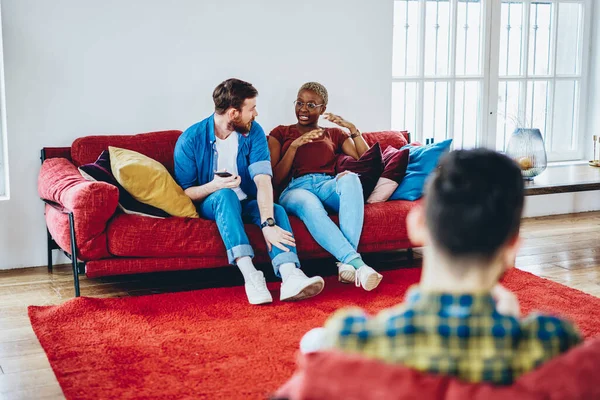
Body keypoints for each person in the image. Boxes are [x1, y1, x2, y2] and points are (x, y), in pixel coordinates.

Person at [298, 148, 582, 385]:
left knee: (313, 341)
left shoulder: (351, 340)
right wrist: (508, 323)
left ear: (417, 225)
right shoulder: (553, 342)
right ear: (513, 248)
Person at [174, 78, 324, 305]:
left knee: (275, 208)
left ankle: (289, 273)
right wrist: (214, 186)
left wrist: (268, 224)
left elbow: (263, 181)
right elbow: (185, 193)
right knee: (225, 195)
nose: (256, 114)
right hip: (213, 202)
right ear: (234, 113)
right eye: (251, 109)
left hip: (247, 201)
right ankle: (250, 275)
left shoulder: (253, 133)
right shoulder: (190, 140)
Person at [268, 82, 382, 291]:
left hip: (326, 184)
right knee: (309, 203)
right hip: (295, 189)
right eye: (300, 103)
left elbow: (366, 160)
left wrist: (353, 130)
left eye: (311, 105)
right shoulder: (281, 133)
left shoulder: (334, 134)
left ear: (323, 109)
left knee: (351, 179)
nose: (303, 109)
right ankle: (357, 264)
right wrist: (294, 147)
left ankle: (347, 264)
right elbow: (274, 179)